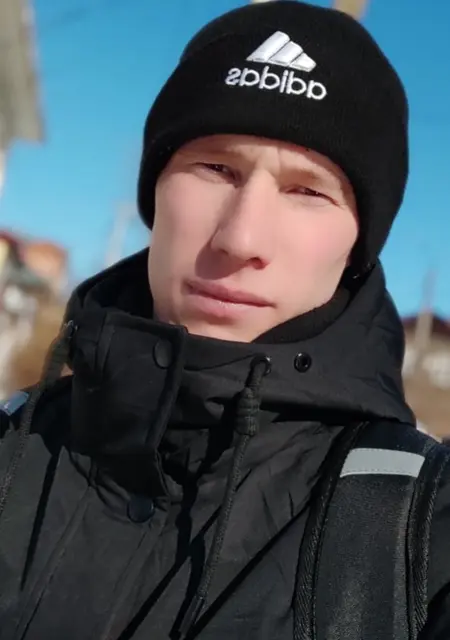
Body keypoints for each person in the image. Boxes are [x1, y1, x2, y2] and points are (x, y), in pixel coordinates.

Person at [1, 2, 449, 638]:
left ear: (357, 247)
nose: (240, 239)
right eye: (216, 169)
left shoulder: (420, 528)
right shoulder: (13, 438)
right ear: (156, 191)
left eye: (307, 190)